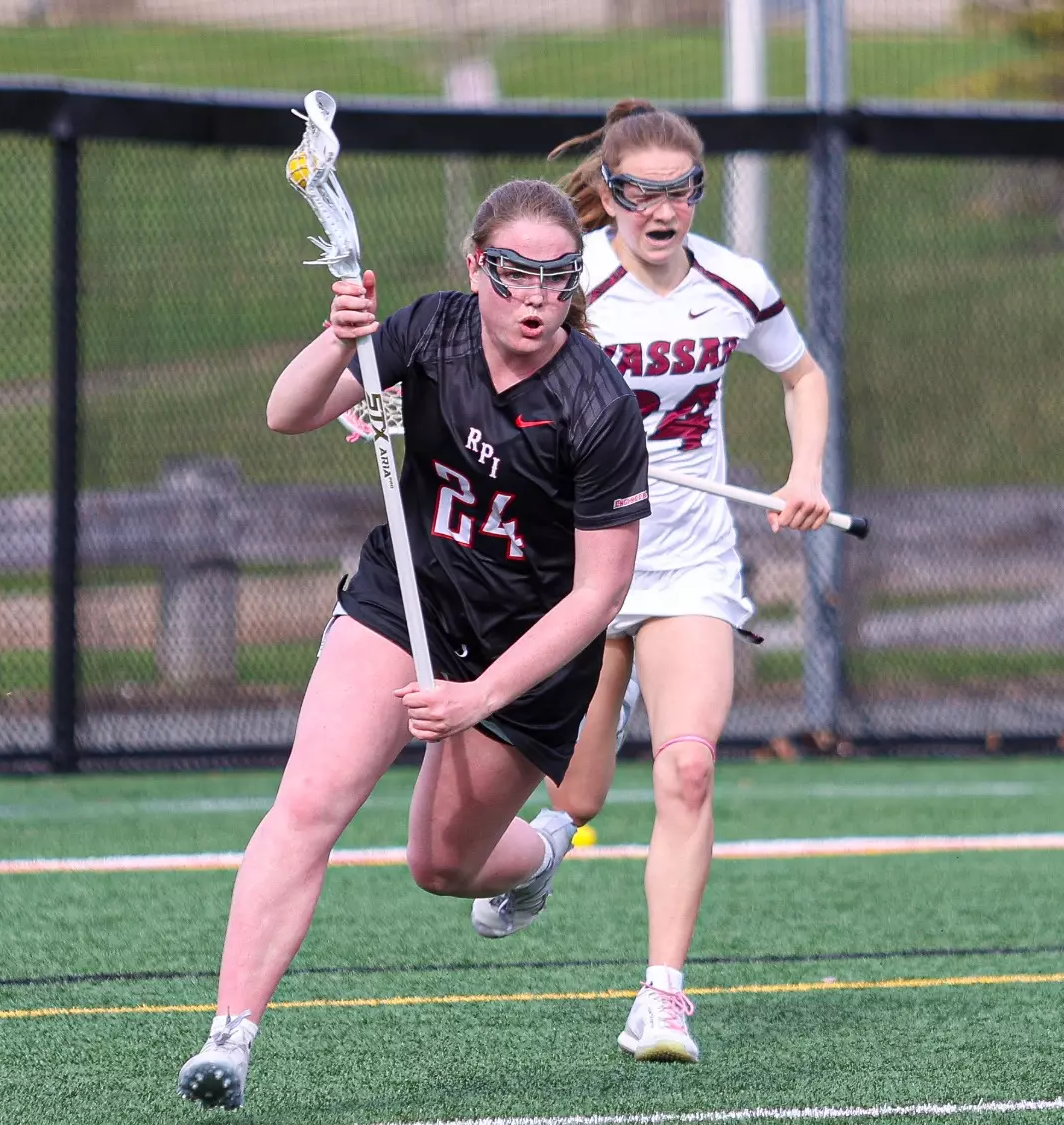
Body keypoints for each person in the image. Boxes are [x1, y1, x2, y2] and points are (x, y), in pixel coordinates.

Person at [175, 179, 651, 1109]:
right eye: (515, 274)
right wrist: (338, 334)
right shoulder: (428, 332)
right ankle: (229, 1037)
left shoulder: (597, 408)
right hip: (408, 598)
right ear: (478, 266)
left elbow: (601, 592)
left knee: (440, 865)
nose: (536, 299)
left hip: (526, 651)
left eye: (559, 279)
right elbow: (288, 411)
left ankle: (543, 855)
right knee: (308, 802)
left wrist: (478, 699)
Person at [476, 101, 833, 1064]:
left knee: (688, 766)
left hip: (688, 565)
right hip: (578, 562)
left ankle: (663, 998)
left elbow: (803, 377)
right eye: (641, 191)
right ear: (613, 194)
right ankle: (543, 854)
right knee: (579, 795)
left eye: (681, 190)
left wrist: (804, 477)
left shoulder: (735, 285)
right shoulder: (572, 278)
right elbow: (487, 362)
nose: (662, 209)